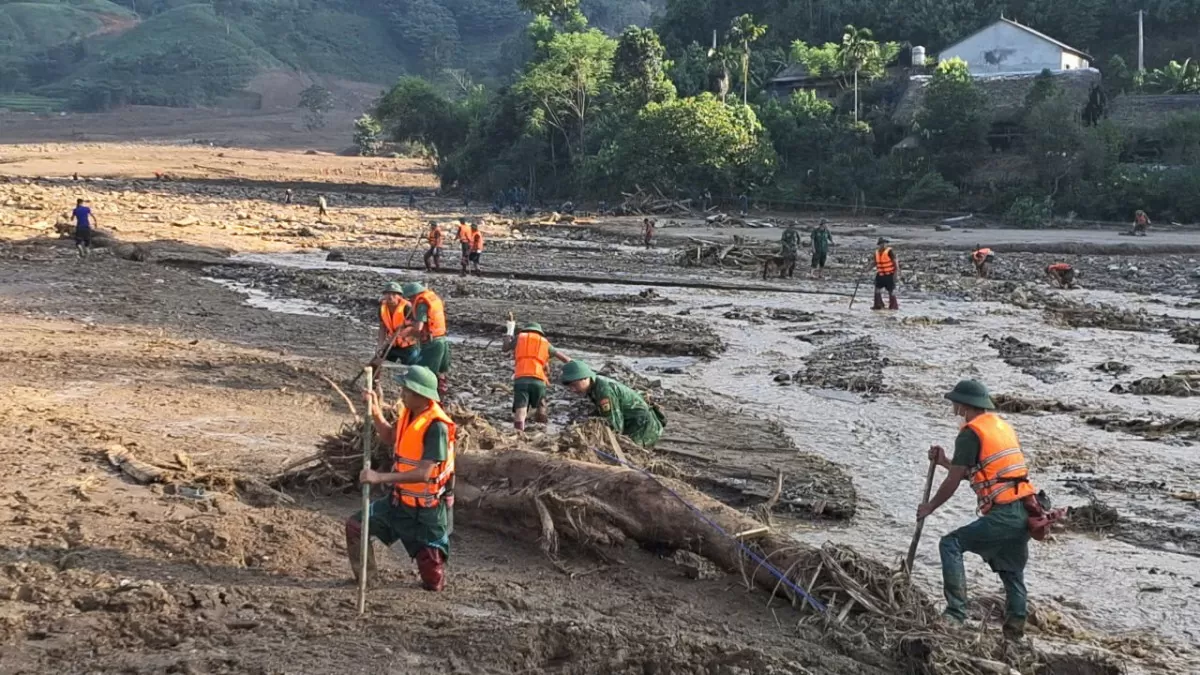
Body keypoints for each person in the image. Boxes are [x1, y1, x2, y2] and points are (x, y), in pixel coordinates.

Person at [918, 380, 1042, 641]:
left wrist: (930, 507)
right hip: (1024, 509)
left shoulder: (970, 433)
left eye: (955, 401)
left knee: (950, 544)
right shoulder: (999, 426)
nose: (953, 405)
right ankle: (1014, 634)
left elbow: (954, 480)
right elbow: (983, 474)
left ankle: (955, 614)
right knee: (1012, 574)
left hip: (1004, 513)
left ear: (964, 405)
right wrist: (944, 462)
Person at [347, 366, 455, 592]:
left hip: (426, 512)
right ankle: (368, 580)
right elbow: (388, 436)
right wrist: (375, 410)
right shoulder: (409, 415)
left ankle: (431, 574)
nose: (402, 394)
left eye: (406, 390)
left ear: (421, 395)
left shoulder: (437, 427)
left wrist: (379, 477)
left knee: (433, 581)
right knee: (356, 525)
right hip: (399, 503)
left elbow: (424, 474)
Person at [560, 361, 664, 447]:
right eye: (570, 387)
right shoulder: (595, 385)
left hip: (642, 428)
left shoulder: (604, 391)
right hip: (634, 423)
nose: (572, 390)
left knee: (625, 453)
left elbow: (614, 426)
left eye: (574, 385)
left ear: (586, 378)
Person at [504, 323, 571, 430]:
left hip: (521, 378)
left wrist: (510, 330)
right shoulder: (545, 342)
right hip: (539, 380)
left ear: (526, 330)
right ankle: (542, 431)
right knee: (541, 406)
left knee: (520, 410)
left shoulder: (520, 338)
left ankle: (519, 433)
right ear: (540, 332)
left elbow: (505, 348)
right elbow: (565, 359)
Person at [398, 282, 451, 397]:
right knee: (440, 373)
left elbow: (419, 327)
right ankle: (440, 395)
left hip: (432, 343)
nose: (410, 302)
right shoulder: (432, 298)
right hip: (441, 339)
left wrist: (407, 330)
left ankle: (426, 397)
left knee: (423, 372)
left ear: (413, 296)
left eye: (410, 299)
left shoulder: (422, 304)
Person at [374, 282, 420, 368]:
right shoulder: (382, 308)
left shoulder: (407, 307)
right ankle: (375, 381)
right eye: (388, 294)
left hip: (408, 345)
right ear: (384, 295)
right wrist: (380, 345)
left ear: (399, 295)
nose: (391, 297)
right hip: (392, 343)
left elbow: (416, 327)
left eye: (394, 294)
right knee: (377, 363)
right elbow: (382, 328)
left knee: (411, 370)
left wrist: (402, 332)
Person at [870, 237, 899, 310]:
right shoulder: (876, 252)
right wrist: (867, 269)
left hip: (889, 274)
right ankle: (878, 305)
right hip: (880, 274)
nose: (883, 245)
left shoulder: (890, 251)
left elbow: (895, 262)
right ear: (879, 244)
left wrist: (896, 273)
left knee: (891, 291)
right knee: (877, 289)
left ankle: (893, 306)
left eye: (885, 243)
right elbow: (874, 262)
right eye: (882, 243)